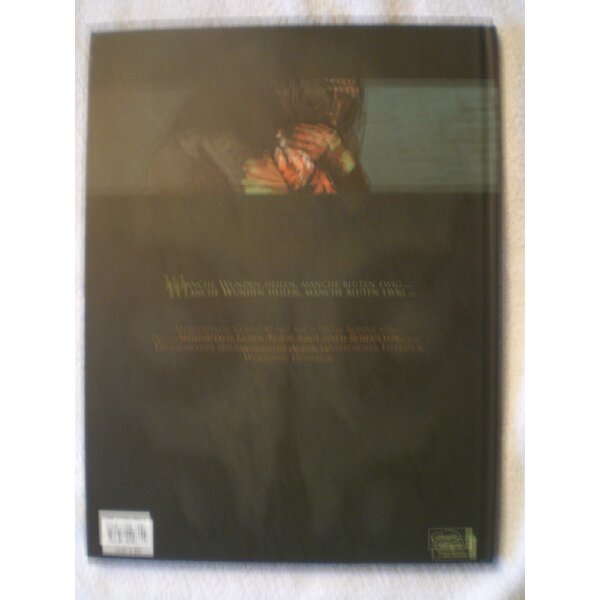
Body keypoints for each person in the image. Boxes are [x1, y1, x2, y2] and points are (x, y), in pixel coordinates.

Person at [145, 78, 369, 196]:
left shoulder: (337, 139)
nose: (333, 112)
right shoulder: (228, 111)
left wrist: (343, 162)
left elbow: (365, 218)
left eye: (346, 98)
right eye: (325, 93)